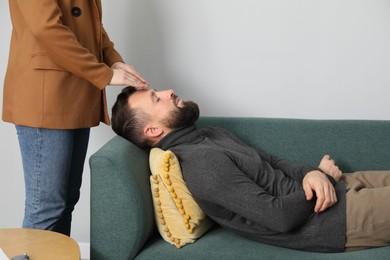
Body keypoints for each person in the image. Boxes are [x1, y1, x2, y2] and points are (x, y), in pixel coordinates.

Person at [111, 86, 390, 253]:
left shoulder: (210, 135)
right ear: (153, 130)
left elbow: (272, 161)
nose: (168, 91)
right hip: (333, 220)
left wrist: (312, 174)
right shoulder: (200, 164)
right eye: (156, 98)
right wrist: (324, 176)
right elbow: (277, 217)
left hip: (335, 189)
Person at [2, 1, 148, 236]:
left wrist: (113, 59)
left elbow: (90, 26)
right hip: (46, 95)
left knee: (65, 202)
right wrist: (104, 73)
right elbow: (46, 28)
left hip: (73, 90)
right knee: (47, 207)